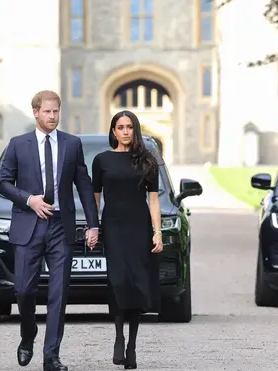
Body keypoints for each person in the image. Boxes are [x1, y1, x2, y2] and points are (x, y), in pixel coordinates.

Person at [0, 90, 100, 371]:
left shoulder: (72, 144)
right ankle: (28, 334)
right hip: (28, 225)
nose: (52, 117)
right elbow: (3, 184)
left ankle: (51, 355)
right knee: (23, 290)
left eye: (56, 112)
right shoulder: (18, 145)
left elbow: (84, 184)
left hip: (60, 227)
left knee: (59, 292)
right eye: (47, 112)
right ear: (36, 112)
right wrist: (29, 200)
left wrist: (93, 224)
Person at [91, 110, 163, 370]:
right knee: (118, 280)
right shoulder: (101, 161)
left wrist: (157, 232)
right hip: (113, 227)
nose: (124, 131)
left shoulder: (147, 161)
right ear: (113, 131)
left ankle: (132, 344)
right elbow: (95, 197)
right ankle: (119, 336)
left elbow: (153, 199)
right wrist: (93, 227)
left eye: (129, 127)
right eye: (120, 127)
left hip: (139, 227)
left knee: (136, 284)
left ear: (135, 130)